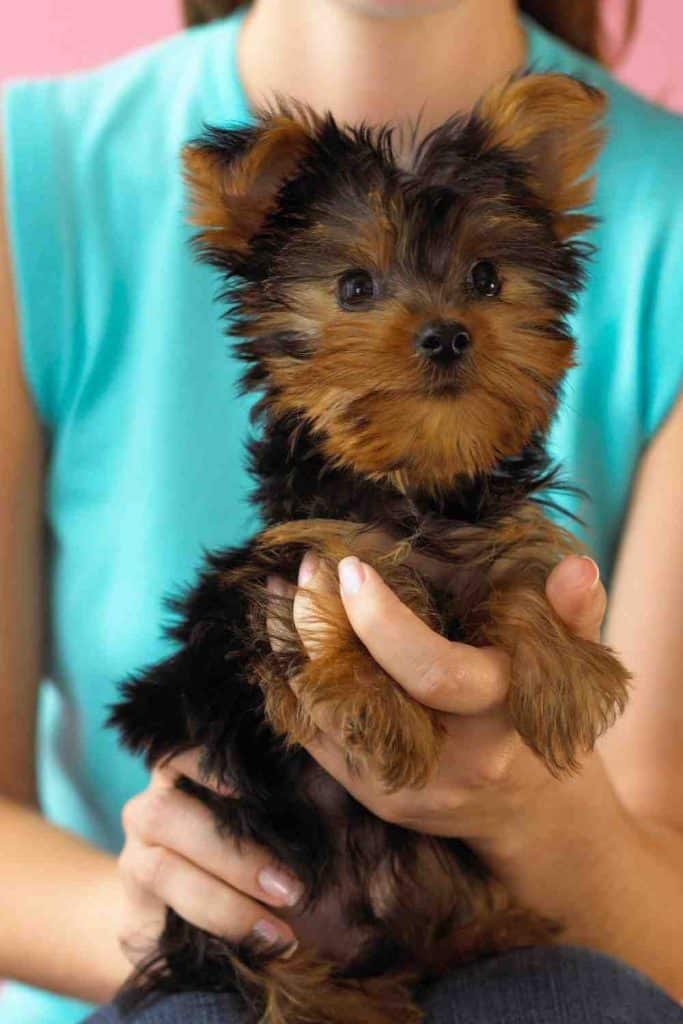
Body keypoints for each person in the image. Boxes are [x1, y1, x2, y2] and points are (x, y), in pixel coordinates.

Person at [1, 1, 682, 1021]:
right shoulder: (40, 171)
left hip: (544, 948)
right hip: (191, 964)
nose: (437, 325)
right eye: (358, 286)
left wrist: (549, 818)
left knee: (567, 998)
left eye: (483, 280)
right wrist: (158, 919)